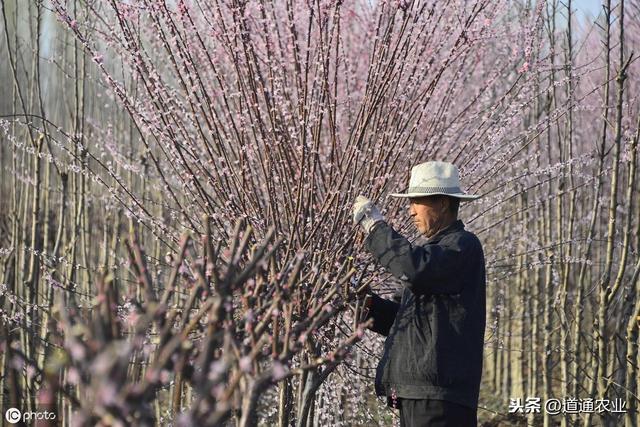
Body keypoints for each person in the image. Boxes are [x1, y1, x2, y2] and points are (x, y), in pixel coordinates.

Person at [352, 161, 486, 427]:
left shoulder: (461, 246)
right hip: (422, 396)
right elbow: (404, 322)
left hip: (439, 400)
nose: (411, 211)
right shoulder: (436, 257)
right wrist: (365, 302)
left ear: (443, 204)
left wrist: (376, 228)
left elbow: (414, 268)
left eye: (417, 202)